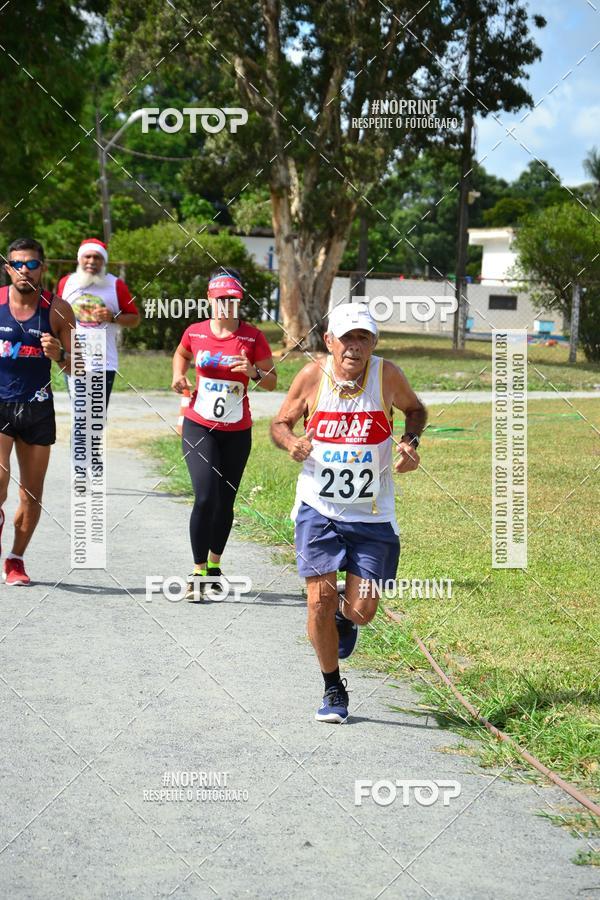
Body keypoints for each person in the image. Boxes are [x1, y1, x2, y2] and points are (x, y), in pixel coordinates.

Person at [271, 302, 427, 723]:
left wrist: (410, 442)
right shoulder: (311, 376)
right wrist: (291, 443)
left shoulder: (386, 375)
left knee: (362, 611)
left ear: (373, 343)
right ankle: (332, 688)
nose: (355, 347)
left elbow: (416, 409)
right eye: (347, 338)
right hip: (318, 508)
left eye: (364, 338)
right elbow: (279, 423)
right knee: (317, 600)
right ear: (329, 341)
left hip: (373, 514)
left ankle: (347, 616)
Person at [171, 267, 277, 601]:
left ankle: (215, 567)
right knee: (205, 496)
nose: (225, 305)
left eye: (231, 299)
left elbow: (273, 380)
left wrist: (254, 371)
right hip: (199, 424)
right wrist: (179, 376)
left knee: (225, 500)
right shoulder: (196, 332)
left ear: (239, 301)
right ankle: (198, 571)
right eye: (219, 299)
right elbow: (181, 354)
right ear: (209, 300)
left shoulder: (252, 336)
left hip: (237, 429)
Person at [0, 238, 75, 585]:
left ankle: (15, 560)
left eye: (31, 264)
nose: (24, 270)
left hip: (37, 409)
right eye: (17, 264)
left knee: (31, 495)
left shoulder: (58, 310)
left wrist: (59, 355)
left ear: (43, 268)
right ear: (8, 269)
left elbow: (81, 366)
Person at [56, 237, 140, 404]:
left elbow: (135, 319)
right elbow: (56, 314)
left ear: (104, 261)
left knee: (95, 415)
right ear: (79, 259)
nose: (91, 261)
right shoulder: (66, 282)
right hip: (73, 358)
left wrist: (113, 317)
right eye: (87, 257)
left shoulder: (116, 285)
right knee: (78, 410)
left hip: (102, 362)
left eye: (97, 257)